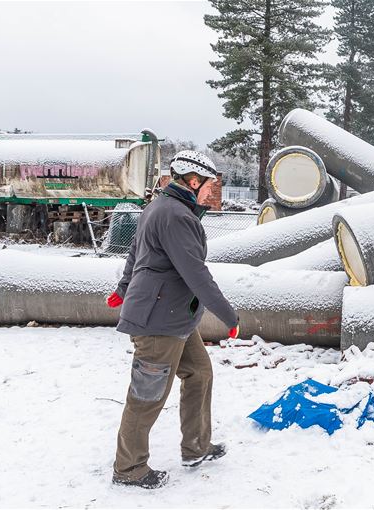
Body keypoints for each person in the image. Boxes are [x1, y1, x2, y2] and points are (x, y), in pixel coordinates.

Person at [106, 150, 240, 489]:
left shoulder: (162, 207)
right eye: (210, 184)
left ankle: (196, 446)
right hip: (158, 321)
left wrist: (123, 289)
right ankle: (130, 468)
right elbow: (196, 273)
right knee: (147, 395)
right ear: (193, 182)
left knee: (200, 372)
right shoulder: (175, 215)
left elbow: (136, 254)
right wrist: (228, 315)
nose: (211, 191)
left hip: (175, 316)